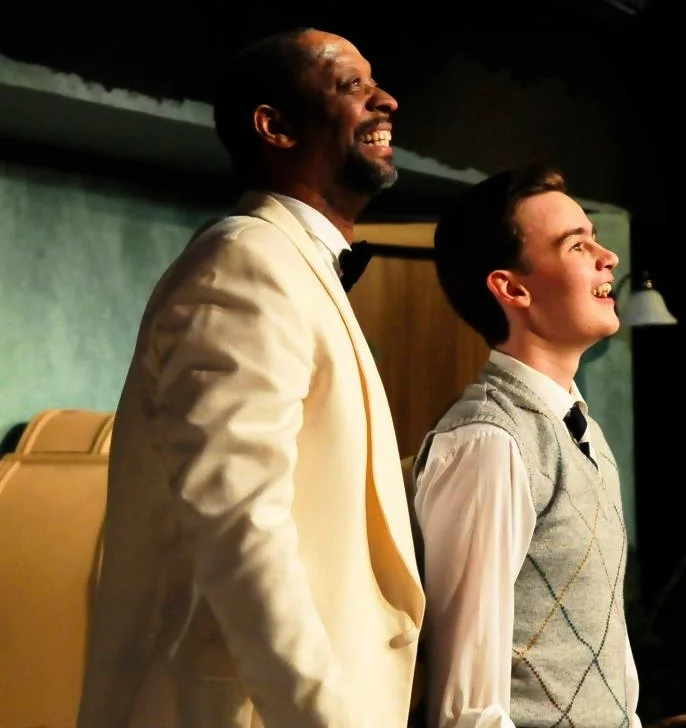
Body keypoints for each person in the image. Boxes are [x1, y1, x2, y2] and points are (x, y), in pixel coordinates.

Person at [77, 27, 424, 728]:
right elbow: (239, 522)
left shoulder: (288, 262)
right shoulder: (245, 260)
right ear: (275, 127)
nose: (385, 98)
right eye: (352, 84)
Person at [412, 164, 641, 728]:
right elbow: (466, 707)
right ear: (512, 288)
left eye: (595, 238)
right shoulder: (488, 440)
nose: (608, 257)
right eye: (577, 245)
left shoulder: (580, 428)